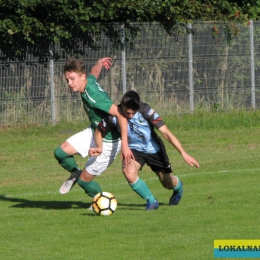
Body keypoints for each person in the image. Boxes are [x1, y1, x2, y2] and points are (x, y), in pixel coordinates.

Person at [89, 90, 200, 210]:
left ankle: (178, 187)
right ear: (122, 104)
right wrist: (100, 147)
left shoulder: (146, 110)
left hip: (154, 150)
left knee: (167, 184)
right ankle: (151, 201)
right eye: (127, 112)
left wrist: (183, 153)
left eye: (133, 113)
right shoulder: (114, 115)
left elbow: (166, 133)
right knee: (128, 171)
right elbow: (99, 131)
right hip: (134, 151)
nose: (130, 116)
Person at [54, 57, 133, 197]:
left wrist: (125, 147)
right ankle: (75, 173)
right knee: (60, 153)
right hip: (94, 131)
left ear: (82, 77)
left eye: (72, 79)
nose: (69, 83)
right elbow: (93, 74)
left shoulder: (93, 96)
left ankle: (100, 200)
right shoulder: (87, 81)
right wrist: (99, 63)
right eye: (67, 80)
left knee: (84, 182)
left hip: (109, 141)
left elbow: (121, 114)